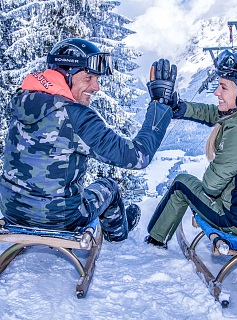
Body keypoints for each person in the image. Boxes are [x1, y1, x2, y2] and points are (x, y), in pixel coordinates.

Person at [0, 38, 177, 242]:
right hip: (59, 219)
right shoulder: (76, 116)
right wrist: (160, 104)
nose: (96, 87)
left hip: (12, 210)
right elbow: (138, 156)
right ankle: (119, 237)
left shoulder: (22, 100)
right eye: (89, 77)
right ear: (66, 74)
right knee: (109, 186)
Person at [145, 50, 237, 249]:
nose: (216, 93)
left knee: (181, 184)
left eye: (223, 87)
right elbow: (219, 114)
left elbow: (211, 186)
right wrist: (181, 108)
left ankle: (154, 241)